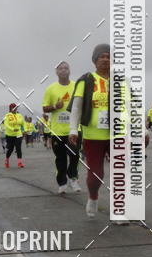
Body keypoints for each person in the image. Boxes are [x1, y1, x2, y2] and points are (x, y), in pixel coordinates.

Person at [68, 44, 111, 218]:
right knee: (96, 174)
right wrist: (73, 129)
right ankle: (93, 197)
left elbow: (131, 106)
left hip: (118, 134)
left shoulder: (121, 80)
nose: (106, 60)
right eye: (102, 56)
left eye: (109, 56)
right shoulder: (86, 80)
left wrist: (142, 129)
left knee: (121, 172)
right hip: (93, 135)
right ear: (95, 60)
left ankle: (119, 210)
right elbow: (77, 107)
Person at [42, 62, 81, 193]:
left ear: (69, 71)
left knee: (75, 155)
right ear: (56, 72)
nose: (63, 70)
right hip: (57, 131)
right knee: (61, 159)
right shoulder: (50, 89)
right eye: (60, 68)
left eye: (66, 68)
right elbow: (44, 108)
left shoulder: (77, 86)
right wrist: (55, 107)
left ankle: (73, 178)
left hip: (74, 129)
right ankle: (62, 183)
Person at [2, 103, 25, 167]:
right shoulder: (7, 115)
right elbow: (6, 124)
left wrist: (25, 130)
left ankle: (19, 162)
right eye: (13, 108)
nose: (14, 109)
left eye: (15, 107)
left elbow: (23, 123)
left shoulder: (19, 115)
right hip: (10, 135)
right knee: (10, 149)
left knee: (18, 148)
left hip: (18, 134)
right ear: (10, 109)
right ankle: (7, 159)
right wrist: (12, 129)